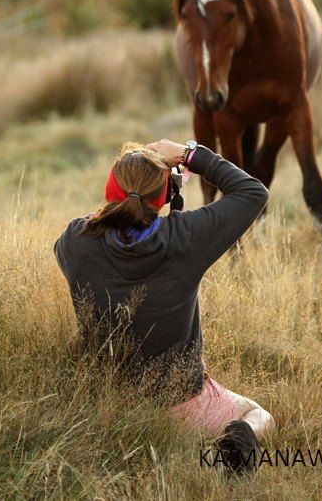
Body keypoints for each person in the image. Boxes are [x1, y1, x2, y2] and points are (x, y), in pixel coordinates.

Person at [54, 138, 275, 472]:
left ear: (110, 188)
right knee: (258, 415)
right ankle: (230, 453)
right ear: (165, 195)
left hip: (105, 403)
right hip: (181, 405)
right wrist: (190, 155)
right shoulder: (185, 237)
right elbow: (253, 193)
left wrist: (129, 183)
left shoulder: (75, 240)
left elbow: (100, 222)